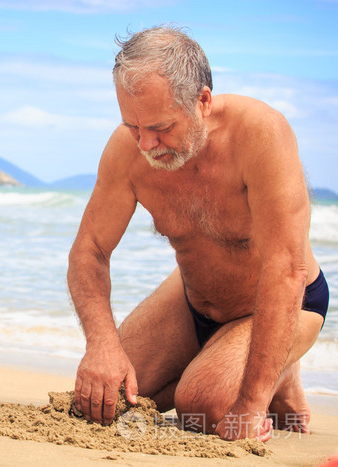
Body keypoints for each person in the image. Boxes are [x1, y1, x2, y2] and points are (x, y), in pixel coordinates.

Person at [67, 26, 329, 442]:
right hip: (193, 300)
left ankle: (277, 375)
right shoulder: (127, 150)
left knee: (202, 408)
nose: (147, 144)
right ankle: (228, 365)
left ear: (202, 101)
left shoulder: (261, 135)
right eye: (133, 127)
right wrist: (102, 345)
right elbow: (90, 250)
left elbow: (288, 268)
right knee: (104, 400)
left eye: (161, 128)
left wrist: (250, 403)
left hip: (283, 305)